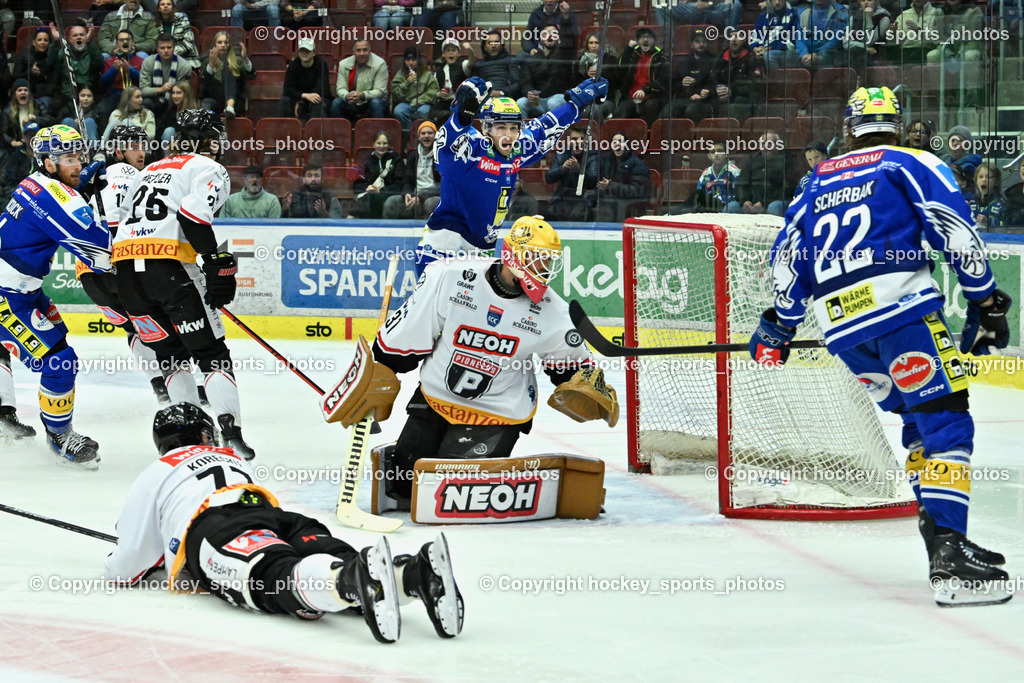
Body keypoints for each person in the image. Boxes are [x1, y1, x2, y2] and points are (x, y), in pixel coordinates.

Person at [749, 86, 1013, 607]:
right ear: (897, 123)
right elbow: (956, 232)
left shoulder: (815, 182)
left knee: (917, 424)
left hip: (845, 334)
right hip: (903, 316)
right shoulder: (909, 162)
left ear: (849, 129)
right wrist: (985, 301)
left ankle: (940, 539)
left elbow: (787, 259)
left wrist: (779, 326)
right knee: (946, 422)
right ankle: (951, 554)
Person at [105, 403, 464, 644]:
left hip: (217, 527)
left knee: (273, 577)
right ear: (205, 435)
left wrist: (128, 562)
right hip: (278, 517)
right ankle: (411, 574)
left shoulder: (158, 471)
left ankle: (348, 581)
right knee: (331, 557)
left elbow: (128, 564)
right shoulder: (231, 458)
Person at [357, 217, 618, 508]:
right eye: (538, 257)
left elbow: (572, 367)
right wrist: (381, 368)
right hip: (435, 399)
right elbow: (411, 331)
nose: (545, 267)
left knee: (450, 492)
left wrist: (585, 384)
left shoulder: (554, 312)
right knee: (405, 486)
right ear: (512, 254)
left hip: (498, 413)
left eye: (549, 260)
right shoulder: (451, 276)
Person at [111, 109, 255, 459]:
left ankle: (192, 440)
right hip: (170, 269)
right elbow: (193, 216)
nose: (219, 146)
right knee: (211, 355)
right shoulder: (209, 167)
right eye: (216, 139)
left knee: (170, 357)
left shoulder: (149, 170)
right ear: (207, 141)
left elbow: (119, 222)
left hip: (127, 274)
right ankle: (231, 436)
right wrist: (215, 260)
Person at [415, 74, 608, 274]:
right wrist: (462, 117)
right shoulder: (471, 149)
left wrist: (577, 102)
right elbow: (445, 155)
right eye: (500, 127)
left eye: (513, 128)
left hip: (482, 247)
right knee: (431, 295)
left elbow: (546, 126)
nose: (508, 134)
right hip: (446, 240)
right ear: (486, 128)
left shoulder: (517, 149)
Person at [0, 124, 112, 466]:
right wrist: (96, 208)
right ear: (48, 163)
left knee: (45, 344)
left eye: (79, 156)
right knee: (60, 362)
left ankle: (1, 415)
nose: (78, 164)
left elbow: (59, 200)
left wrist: (82, 188)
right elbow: (101, 257)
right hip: (7, 295)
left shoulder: (34, 182)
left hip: (23, 290)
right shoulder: (55, 197)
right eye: (69, 159)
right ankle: (60, 437)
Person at [77, 125, 169, 404]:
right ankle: (184, 384)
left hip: (89, 274)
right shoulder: (137, 175)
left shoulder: (92, 180)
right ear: (118, 151)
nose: (141, 152)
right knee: (161, 322)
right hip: (122, 265)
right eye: (134, 147)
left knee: (132, 329)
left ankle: (159, 385)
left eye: (144, 146)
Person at [383, 121, 440, 219]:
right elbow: (407, 181)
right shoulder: (413, 156)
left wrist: (421, 196)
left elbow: (443, 185)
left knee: (430, 203)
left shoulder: (442, 156)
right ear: (419, 137)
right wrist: (407, 193)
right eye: (423, 133)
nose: (426, 136)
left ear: (435, 136)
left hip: (432, 196)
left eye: (430, 133)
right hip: (415, 196)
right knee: (391, 202)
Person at [613, 27, 670, 126]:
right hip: (631, 96)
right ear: (638, 41)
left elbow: (663, 80)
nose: (646, 40)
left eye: (649, 37)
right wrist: (628, 49)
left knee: (650, 106)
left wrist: (645, 90)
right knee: (621, 111)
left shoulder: (661, 57)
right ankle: (620, 134)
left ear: (654, 40)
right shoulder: (632, 54)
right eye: (643, 37)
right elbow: (619, 71)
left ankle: (649, 133)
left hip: (653, 96)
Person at [516, 24, 574, 119]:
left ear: (558, 38)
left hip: (558, 97)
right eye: (546, 33)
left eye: (554, 33)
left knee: (553, 102)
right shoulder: (532, 59)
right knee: (521, 102)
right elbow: (526, 82)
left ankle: (555, 128)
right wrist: (529, 92)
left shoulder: (564, 56)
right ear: (541, 38)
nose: (550, 36)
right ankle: (526, 129)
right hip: (538, 101)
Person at [545, 122, 600, 221]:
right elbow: (549, 178)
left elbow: (593, 180)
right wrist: (563, 168)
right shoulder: (562, 155)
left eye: (581, 138)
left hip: (584, 199)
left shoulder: (593, 157)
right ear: (569, 141)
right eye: (574, 139)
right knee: (551, 212)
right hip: (563, 199)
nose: (577, 142)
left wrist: (578, 169)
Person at [593, 132, 652, 222]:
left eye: (620, 141)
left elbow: (637, 191)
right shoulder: (606, 161)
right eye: (614, 142)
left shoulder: (637, 164)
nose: (617, 144)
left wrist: (610, 186)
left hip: (628, 207)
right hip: (608, 205)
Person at [47, 23, 103, 115]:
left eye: (82, 35)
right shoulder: (63, 53)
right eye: (75, 35)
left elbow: (99, 63)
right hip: (67, 95)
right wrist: (56, 41)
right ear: (70, 39)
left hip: (88, 94)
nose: (79, 37)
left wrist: (89, 41)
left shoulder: (92, 52)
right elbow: (50, 63)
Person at [330, 40, 389, 123]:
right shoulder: (343, 64)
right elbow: (340, 88)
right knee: (336, 103)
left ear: (370, 50)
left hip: (372, 101)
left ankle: (377, 131)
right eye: (358, 50)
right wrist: (347, 96)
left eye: (365, 50)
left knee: (375, 103)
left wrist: (362, 95)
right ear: (353, 52)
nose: (362, 53)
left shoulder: (380, 64)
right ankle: (339, 130)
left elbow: (380, 91)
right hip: (351, 101)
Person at [199, 31, 255, 118]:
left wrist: (245, 58)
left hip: (236, 102)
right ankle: (228, 108)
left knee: (228, 70)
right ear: (214, 44)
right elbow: (203, 82)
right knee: (206, 102)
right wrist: (211, 63)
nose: (223, 45)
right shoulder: (206, 60)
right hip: (215, 99)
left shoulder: (237, 59)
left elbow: (251, 74)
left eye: (226, 42)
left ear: (229, 45)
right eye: (219, 42)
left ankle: (230, 106)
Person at [277, 37, 332, 121]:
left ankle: (316, 129)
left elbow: (323, 87)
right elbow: (287, 89)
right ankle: (281, 127)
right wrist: (303, 97)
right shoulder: (293, 65)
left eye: (308, 51)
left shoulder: (321, 64)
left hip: (317, 97)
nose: (304, 53)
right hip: (299, 97)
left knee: (317, 101)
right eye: (302, 50)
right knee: (284, 101)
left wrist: (308, 97)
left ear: (314, 53)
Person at [735, 131, 789, 216]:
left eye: (770, 143)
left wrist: (764, 203)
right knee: (731, 207)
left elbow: (787, 188)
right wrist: (745, 201)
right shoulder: (753, 159)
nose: (766, 147)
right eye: (763, 144)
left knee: (774, 207)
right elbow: (741, 182)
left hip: (775, 201)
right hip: (752, 202)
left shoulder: (787, 160)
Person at [139, 33, 191, 119]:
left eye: (169, 47)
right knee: (146, 102)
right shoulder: (148, 62)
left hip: (174, 100)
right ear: (157, 49)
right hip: (154, 99)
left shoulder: (184, 66)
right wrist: (161, 89)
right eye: (162, 48)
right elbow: (143, 90)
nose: (166, 51)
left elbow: (184, 92)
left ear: (174, 48)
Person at [351, 131, 402, 219]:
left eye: (384, 143)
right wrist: (367, 187)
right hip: (370, 194)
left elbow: (400, 184)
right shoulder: (367, 161)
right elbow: (356, 185)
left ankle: (351, 218)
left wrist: (380, 191)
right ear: (373, 144)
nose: (381, 146)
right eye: (378, 143)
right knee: (368, 198)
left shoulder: (396, 159)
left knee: (370, 199)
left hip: (389, 194)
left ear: (389, 145)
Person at [98, 30, 145, 122]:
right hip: (116, 95)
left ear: (133, 42)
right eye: (121, 40)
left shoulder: (141, 61)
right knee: (102, 109)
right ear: (116, 43)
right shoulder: (110, 62)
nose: (125, 42)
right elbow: (103, 82)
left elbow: (143, 81)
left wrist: (130, 70)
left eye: (128, 39)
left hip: (136, 95)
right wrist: (113, 70)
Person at [390, 47, 438, 136]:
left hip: (423, 103)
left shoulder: (427, 75)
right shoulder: (400, 75)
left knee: (423, 111)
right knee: (399, 111)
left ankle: (421, 134)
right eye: (408, 60)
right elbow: (395, 93)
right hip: (406, 103)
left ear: (418, 60)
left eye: (413, 60)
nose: (410, 63)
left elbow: (433, 92)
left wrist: (418, 101)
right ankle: (409, 136)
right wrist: (407, 82)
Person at [465, 30, 519, 100]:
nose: (493, 46)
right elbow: (471, 85)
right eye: (490, 43)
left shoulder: (511, 62)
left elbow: (517, 84)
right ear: (484, 47)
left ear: (502, 45)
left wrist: (501, 92)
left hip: (505, 99)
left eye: (496, 42)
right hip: (483, 99)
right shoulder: (478, 65)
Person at [795, 0, 849, 70]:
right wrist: (804, 53)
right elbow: (800, 37)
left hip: (829, 53)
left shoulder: (840, 11)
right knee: (790, 55)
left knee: (825, 54)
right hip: (808, 54)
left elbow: (837, 38)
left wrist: (817, 54)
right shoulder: (803, 12)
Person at [693, 139, 742, 212]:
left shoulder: (734, 171)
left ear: (726, 154)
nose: (716, 154)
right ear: (709, 156)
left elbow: (740, 195)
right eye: (712, 152)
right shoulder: (706, 173)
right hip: (712, 206)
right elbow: (699, 193)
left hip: (729, 207)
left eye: (720, 151)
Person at [751, 0, 801, 70]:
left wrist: (769, 48)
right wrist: (756, 49)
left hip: (787, 52)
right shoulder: (763, 15)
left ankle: (777, 77)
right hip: (765, 50)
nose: (777, 2)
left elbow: (791, 41)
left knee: (768, 56)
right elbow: (756, 34)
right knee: (750, 57)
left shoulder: (793, 14)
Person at [430, 38, 470, 124]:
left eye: (454, 50)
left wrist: (470, 51)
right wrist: (439, 94)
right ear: (443, 54)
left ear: (458, 53)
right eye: (448, 50)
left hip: (460, 102)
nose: (451, 53)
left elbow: (471, 63)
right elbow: (433, 91)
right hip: (445, 102)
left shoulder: (463, 65)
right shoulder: (439, 71)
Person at [152, 0, 200, 69]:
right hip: (162, 56)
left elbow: (189, 42)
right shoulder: (155, 23)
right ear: (159, 8)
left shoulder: (182, 19)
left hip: (185, 57)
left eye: (168, 4)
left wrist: (171, 52)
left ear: (173, 7)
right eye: (162, 4)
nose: (165, 6)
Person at [155, 80, 196, 145]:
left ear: (186, 94)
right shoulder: (169, 111)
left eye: (178, 93)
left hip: (187, 145)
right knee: (169, 131)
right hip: (169, 146)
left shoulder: (195, 113)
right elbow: (159, 132)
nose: (175, 96)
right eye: (173, 93)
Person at [971, 162, 1006, 230]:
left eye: (988, 177)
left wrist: (989, 222)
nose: (984, 180)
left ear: (996, 182)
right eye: (980, 177)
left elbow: (1009, 226)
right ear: (976, 180)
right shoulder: (971, 202)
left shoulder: (1002, 204)